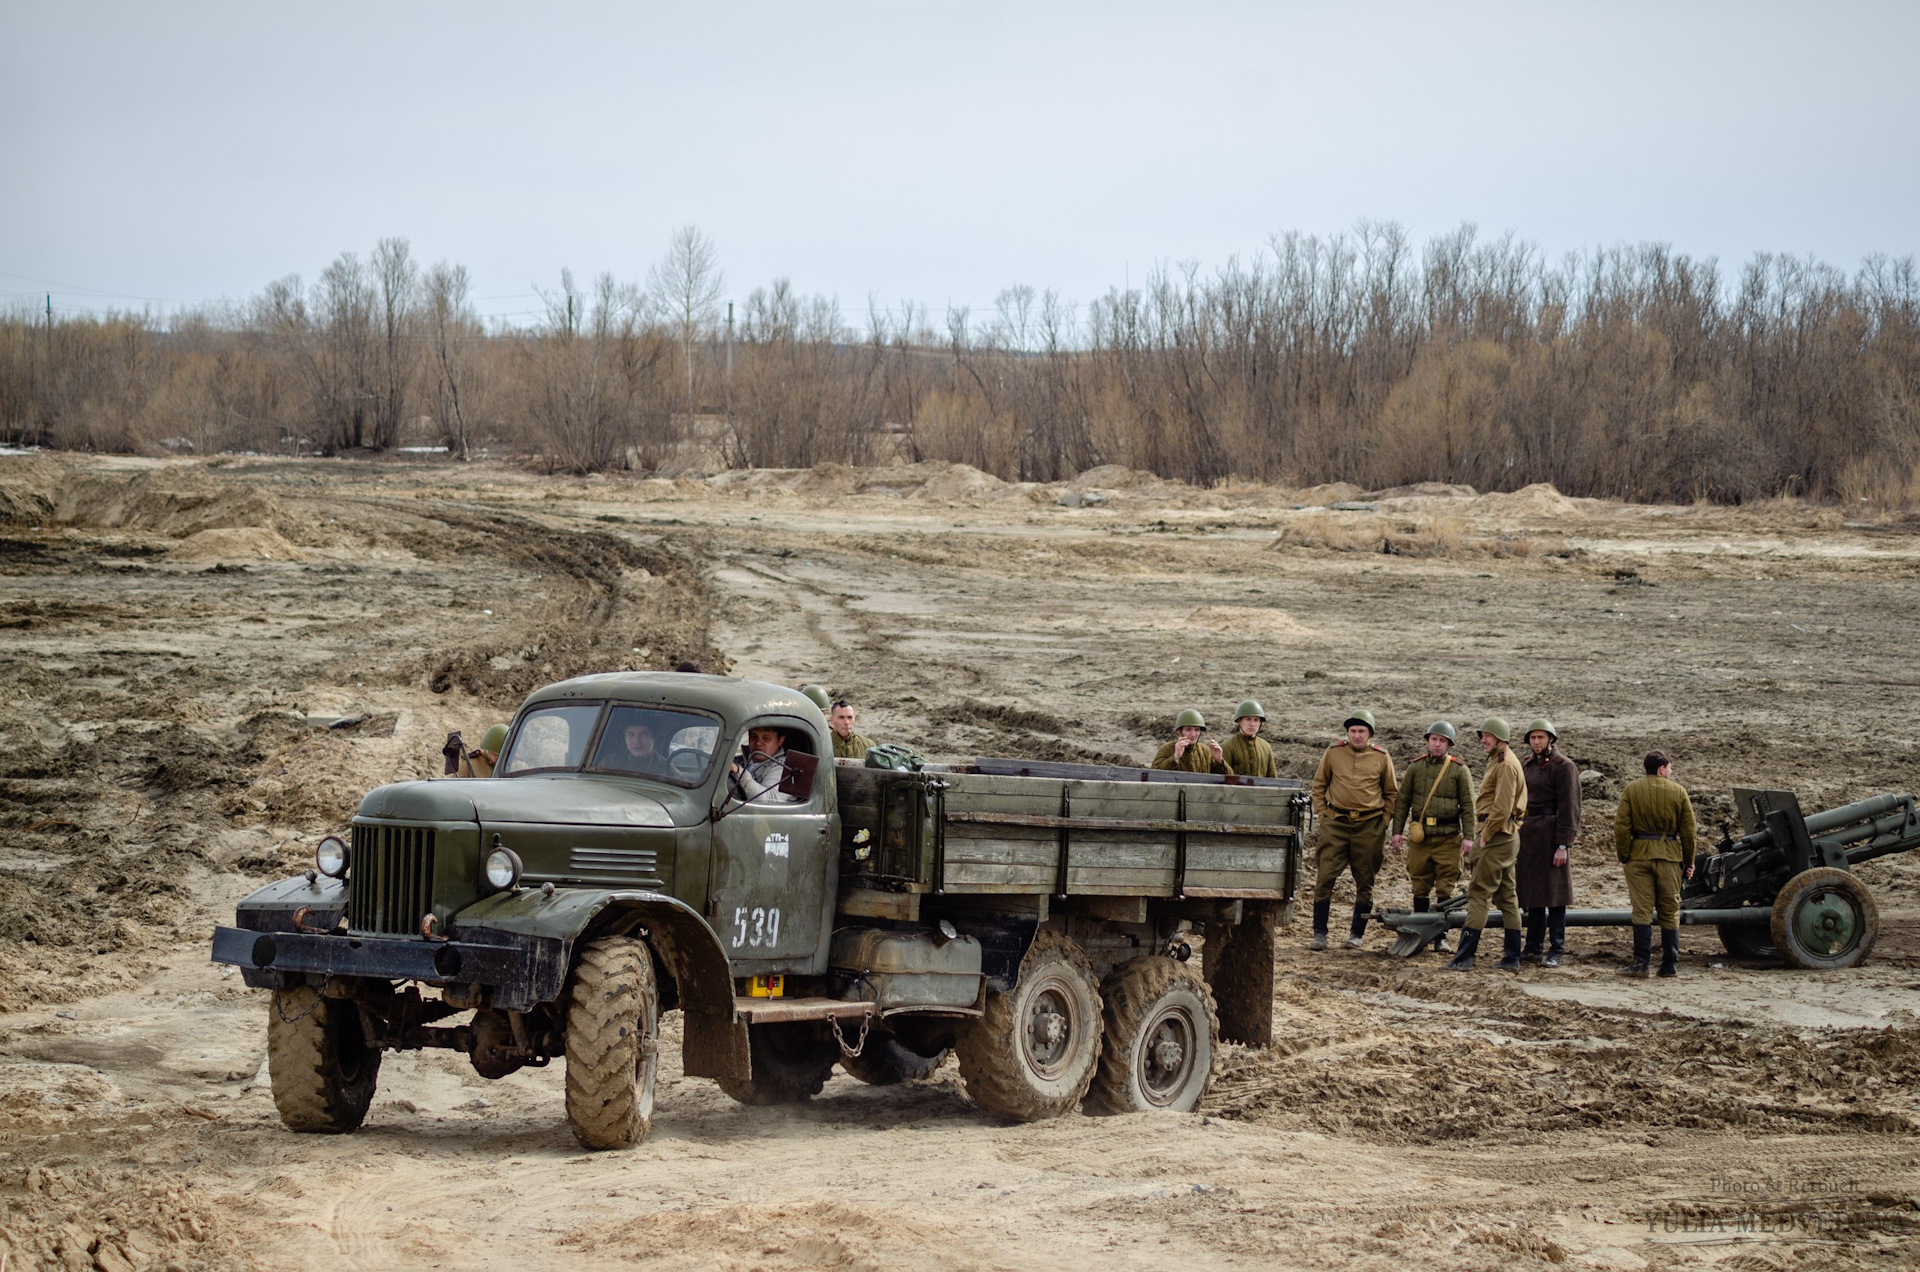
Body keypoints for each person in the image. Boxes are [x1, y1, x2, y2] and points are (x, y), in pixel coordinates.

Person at [1308, 710, 1397, 951]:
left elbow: (1391, 793)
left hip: (1369, 826)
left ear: (1370, 734)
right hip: (1335, 823)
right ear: (1347, 733)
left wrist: (1384, 822)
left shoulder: (1381, 757)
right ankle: (1320, 933)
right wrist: (1322, 814)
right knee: (1325, 876)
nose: (1357, 735)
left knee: (1365, 880)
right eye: (1353, 731)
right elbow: (1319, 785)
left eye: (1362, 731)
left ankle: (1356, 934)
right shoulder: (1333, 753)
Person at [1446, 717, 1527, 972]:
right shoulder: (1501, 760)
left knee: (1479, 893)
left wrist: (1486, 835)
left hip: (1496, 836)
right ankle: (1512, 957)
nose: (1483, 740)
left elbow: (1502, 807)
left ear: (1500, 738)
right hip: (1506, 836)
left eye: (1487, 736)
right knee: (1507, 896)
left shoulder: (1505, 765)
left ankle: (1464, 957)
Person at [1390, 721, 1475, 953]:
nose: (1437, 744)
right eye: (1434, 740)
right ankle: (1420, 932)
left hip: (1448, 839)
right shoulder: (1415, 768)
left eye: (1442, 741)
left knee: (1445, 888)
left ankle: (1441, 937)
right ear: (1427, 741)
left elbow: (1468, 806)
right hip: (1421, 839)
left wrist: (1469, 837)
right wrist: (1396, 832)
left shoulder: (1459, 770)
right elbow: (1403, 803)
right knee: (1419, 885)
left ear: (1449, 744)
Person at [1613, 749, 1697, 978]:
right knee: (1670, 910)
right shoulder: (1678, 792)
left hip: (1638, 857)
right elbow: (1688, 832)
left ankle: (1640, 964)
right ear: (1661, 769)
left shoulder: (1632, 790)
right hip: (1669, 857)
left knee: (1641, 911)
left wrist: (1625, 855)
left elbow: (1621, 827)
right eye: (1670, 768)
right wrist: (1688, 861)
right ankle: (1669, 965)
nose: (1670, 772)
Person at [1518, 717, 1580, 967]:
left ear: (1550, 739)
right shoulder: (1526, 764)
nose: (1536, 742)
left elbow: (1570, 807)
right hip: (1529, 835)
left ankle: (1556, 948)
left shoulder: (1563, 766)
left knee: (1555, 896)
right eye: (1533, 738)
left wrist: (1563, 844)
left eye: (1541, 737)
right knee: (1533, 895)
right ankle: (1532, 946)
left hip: (1551, 835)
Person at [732, 725, 800, 804]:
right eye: (754, 737)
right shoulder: (739, 760)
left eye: (766, 738)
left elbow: (769, 800)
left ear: (780, 741)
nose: (758, 743)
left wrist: (738, 772)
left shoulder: (786, 767)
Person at [1151, 709, 1231, 775]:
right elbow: (1152, 775)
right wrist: (1175, 758)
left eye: (1197, 730)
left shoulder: (1206, 752)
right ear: (1179, 731)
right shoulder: (1166, 750)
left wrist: (1219, 761)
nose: (1193, 734)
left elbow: (1230, 779)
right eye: (1188, 729)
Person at [1220, 699, 1280, 779]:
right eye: (1248, 719)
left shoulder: (1266, 747)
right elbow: (1221, 779)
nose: (1252, 724)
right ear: (1239, 721)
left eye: (1256, 720)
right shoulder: (1227, 746)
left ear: (1260, 723)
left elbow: (1273, 779)